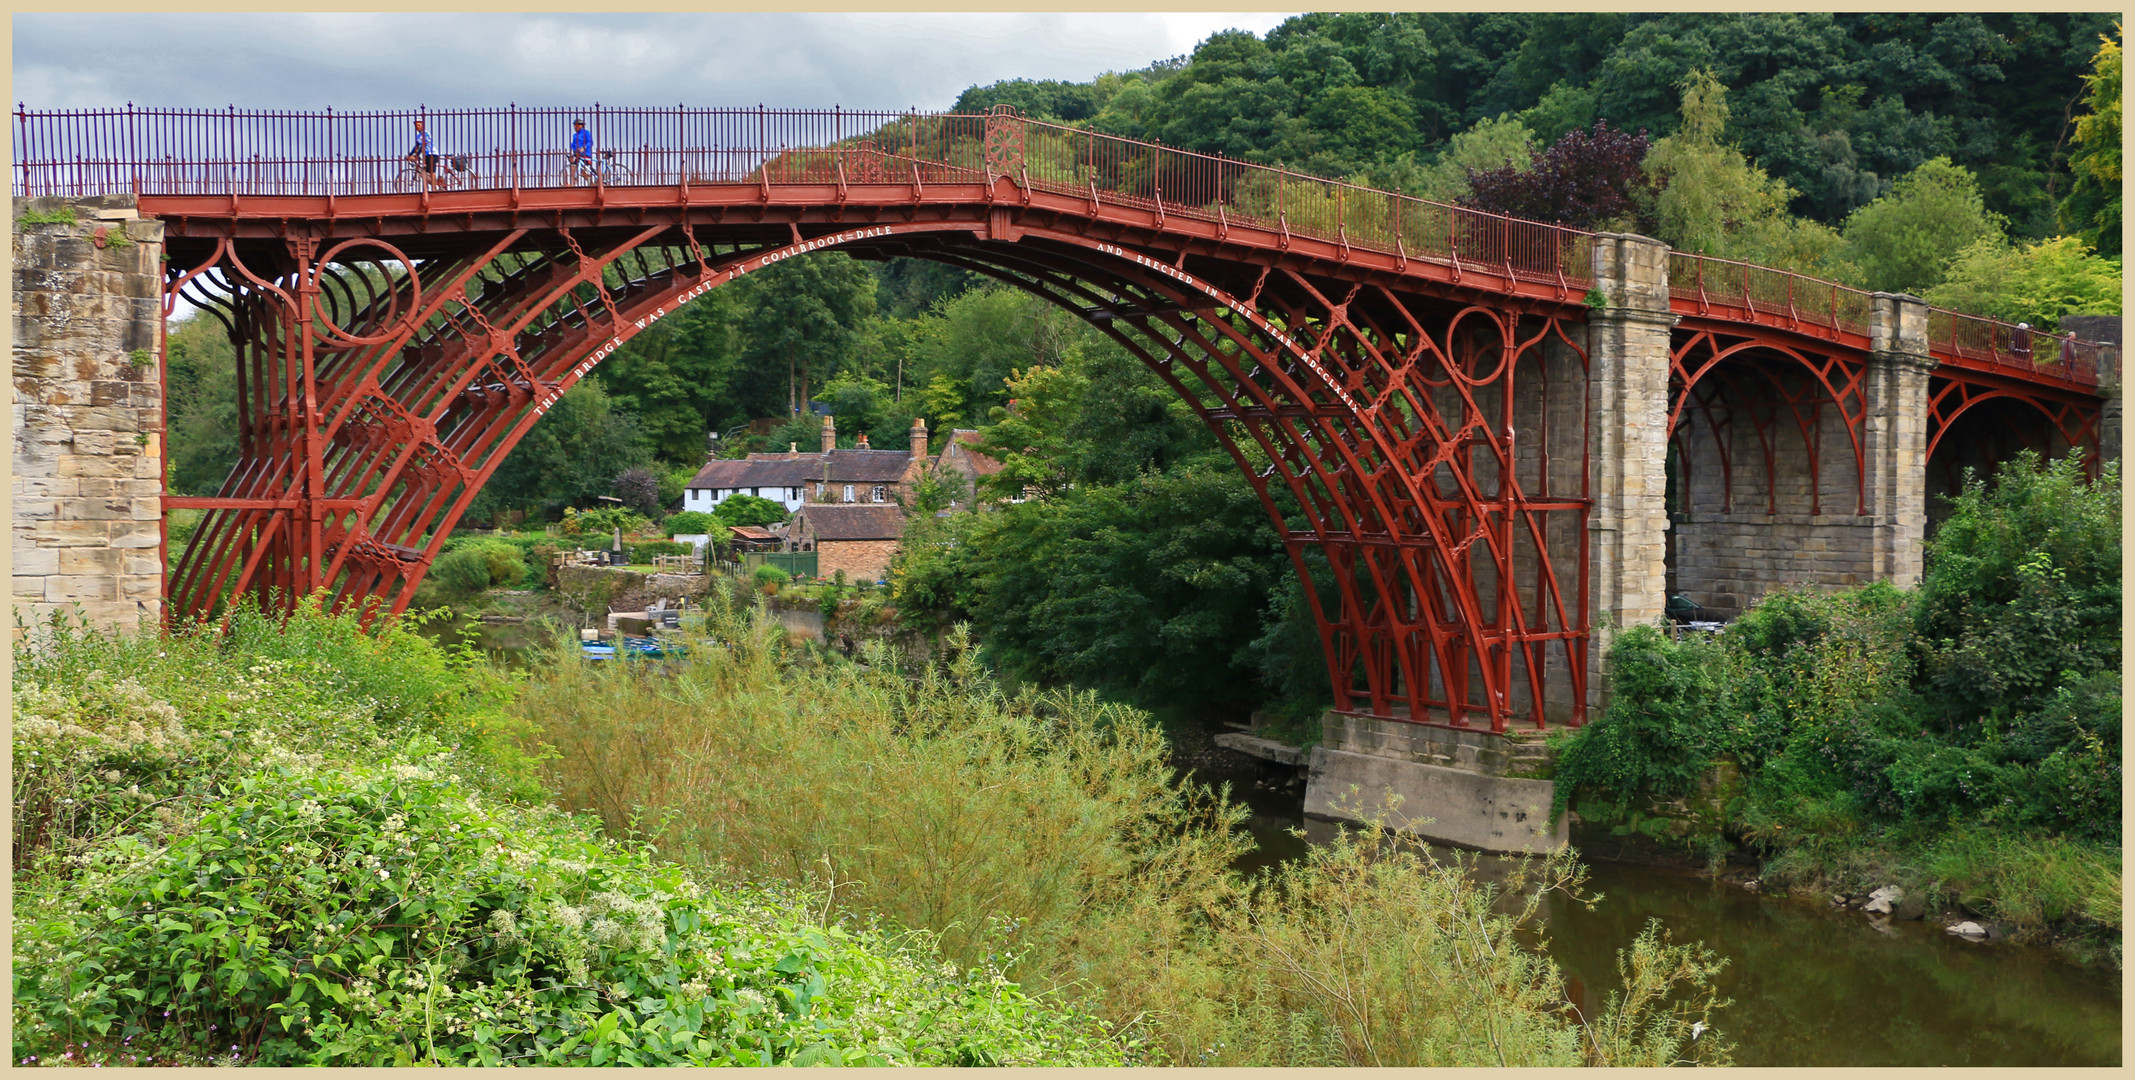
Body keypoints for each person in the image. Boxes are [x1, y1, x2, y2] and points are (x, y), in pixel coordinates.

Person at [405, 119, 444, 190]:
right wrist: (410, 154)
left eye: (419, 125)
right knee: (424, 173)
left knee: (432, 172)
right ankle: (436, 186)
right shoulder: (418, 136)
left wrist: (416, 155)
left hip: (431, 153)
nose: (418, 127)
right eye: (416, 126)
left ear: (423, 126)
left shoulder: (426, 133)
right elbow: (417, 146)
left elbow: (423, 144)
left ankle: (434, 189)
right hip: (426, 155)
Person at [567, 118, 595, 183]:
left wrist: (584, 147)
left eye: (576, 125)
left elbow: (590, 142)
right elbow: (573, 144)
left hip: (585, 154)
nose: (575, 127)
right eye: (574, 126)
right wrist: (574, 150)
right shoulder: (574, 135)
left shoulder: (586, 133)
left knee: (583, 170)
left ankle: (590, 182)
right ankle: (573, 183)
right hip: (577, 154)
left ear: (581, 125)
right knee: (574, 168)